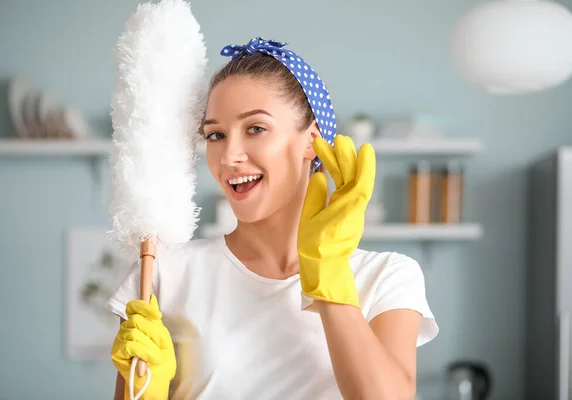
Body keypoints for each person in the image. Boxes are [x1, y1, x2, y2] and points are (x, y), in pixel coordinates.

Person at [108, 37, 439, 400]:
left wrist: (329, 281)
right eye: (215, 135)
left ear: (311, 141)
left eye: (255, 129)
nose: (229, 156)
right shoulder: (163, 274)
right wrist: (146, 392)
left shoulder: (386, 277)